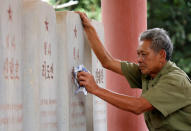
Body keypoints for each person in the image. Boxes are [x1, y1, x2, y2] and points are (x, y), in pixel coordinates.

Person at [75, 11, 191, 130]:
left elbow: (138, 106)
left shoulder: (174, 80)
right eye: (138, 54)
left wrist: (95, 89)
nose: (139, 60)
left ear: (161, 55)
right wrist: (88, 28)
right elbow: (108, 62)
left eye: (144, 54)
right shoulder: (149, 72)